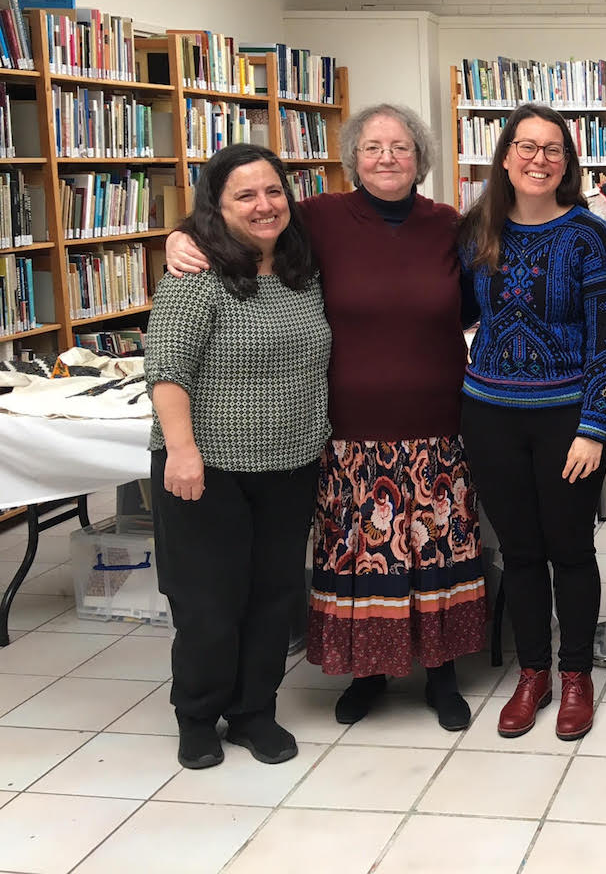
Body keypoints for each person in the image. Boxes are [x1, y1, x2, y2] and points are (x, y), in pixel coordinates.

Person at [165, 104, 485, 733]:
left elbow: (477, 302)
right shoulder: (316, 219)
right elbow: (240, 216)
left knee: (436, 553)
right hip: (347, 430)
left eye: (400, 146)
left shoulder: (449, 224)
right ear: (351, 159)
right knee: (363, 558)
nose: (387, 157)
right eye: (372, 147)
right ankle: (369, 671)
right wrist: (178, 236)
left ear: (421, 157)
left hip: (437, 424)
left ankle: (442, 676)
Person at [147, 143, 331, 770]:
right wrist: (182, 451)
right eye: (245, 195)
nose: (264, 205)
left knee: (272, 596)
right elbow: (167, 369)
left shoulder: (303, 270)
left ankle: (254, 710)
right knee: (208, 603)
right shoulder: (198, 275)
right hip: (208, 467)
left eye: (273, 191)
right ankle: (197, 715)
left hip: (291, 463)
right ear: (216, 207)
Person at [457, 103, 606, 742]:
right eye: (526, 147)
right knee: (521, 552)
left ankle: (576, 673)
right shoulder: (478, 232)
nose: (538, 159)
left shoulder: (591, 236)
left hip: (566, 422)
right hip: (490, 415)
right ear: (505, 158)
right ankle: (534, 673)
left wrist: (594, 426)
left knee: (571, 550)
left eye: (552, 149)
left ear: (567, 163)